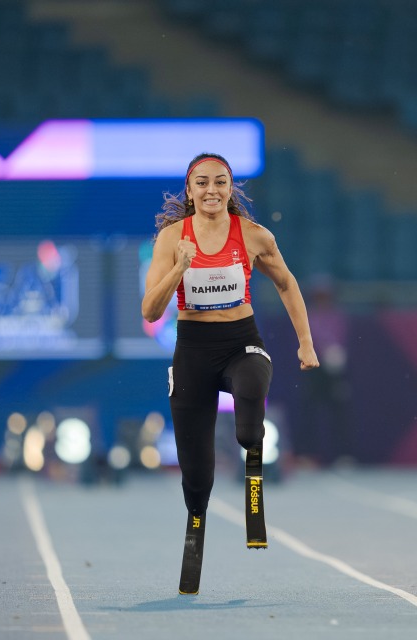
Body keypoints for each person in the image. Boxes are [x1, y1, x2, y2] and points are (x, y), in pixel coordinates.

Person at [142, 152, 319, 594]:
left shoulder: (254, 236)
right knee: (197, 473)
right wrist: (180, 268)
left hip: (242, 342)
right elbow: (149, 310)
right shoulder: (170, 240)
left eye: (220, 182)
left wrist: (306, 342)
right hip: (193, 353)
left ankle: (253, 469)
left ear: (230, 187)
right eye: (202, 183)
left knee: (252, 386)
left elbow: (286, 283)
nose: (211, 191)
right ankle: (195, 528)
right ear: (189, 190)